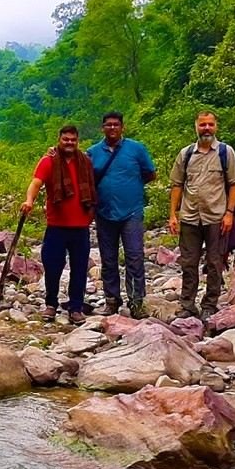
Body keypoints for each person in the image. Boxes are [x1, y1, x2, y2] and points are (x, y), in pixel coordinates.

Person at [168, 111, 235, 321]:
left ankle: (210, 304)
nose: (206, 128)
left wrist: (229, 213)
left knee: (215, 262)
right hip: (190, 217)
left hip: (216, 217)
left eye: (210, 124)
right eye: (202, 125)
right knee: (188, 262)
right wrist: (173, 214)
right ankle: (187, 304)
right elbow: (177, 185)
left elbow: (234, 184)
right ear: (196, 127)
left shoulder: (226, 153)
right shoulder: (186, 154)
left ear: (216, 126)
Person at [21, 125, 96, 326]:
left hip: (80, 226)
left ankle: (76, 308)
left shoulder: (85, 162)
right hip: (57, 225)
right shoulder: (49, 161)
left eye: (73, 139)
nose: (69, 143)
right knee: (53, 266)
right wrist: (29, 200)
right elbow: (36, 183)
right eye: (65, 139)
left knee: (79, 269)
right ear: (59, 139)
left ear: (78, 140)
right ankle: (51, 304)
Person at [86, 111, 156, 319]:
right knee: (108, 259)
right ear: (102, 128)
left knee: (135, 256)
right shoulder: (92, 153)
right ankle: (112, 300)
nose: (112, 128)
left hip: (132, 212)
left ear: (122, 127)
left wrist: (131, 186)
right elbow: (85, 179)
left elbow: (150, 173)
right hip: (104, 212)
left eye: (116, 124)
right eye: (108, 125)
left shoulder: (136, 149)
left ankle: (136, 301)